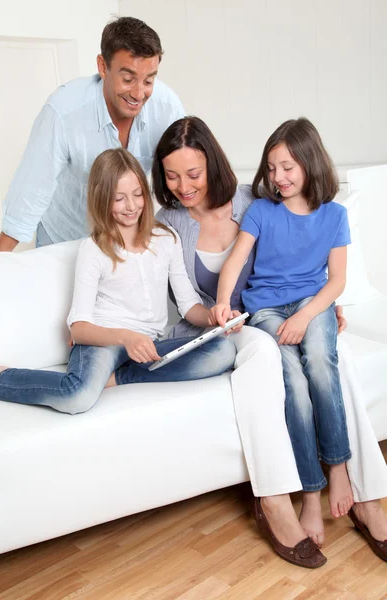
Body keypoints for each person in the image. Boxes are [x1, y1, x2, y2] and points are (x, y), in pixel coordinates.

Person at [153, 116, 387, 564]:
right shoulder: (169, 222)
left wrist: (316, 307)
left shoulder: (251, 199)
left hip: (281, 312)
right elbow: (186, 300)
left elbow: (299, 247)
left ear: (213, 165)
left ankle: (366, 493)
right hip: (226, 326)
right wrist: (219, 314)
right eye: (171, 175)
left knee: (336, 356)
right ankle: (281, 499)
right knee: (266, 353)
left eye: (194, 174)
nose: (184, 186)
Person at [0, 148, 238, 414]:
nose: (131, 206)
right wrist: (125, 338)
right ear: (103, 199)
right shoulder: (94, 249)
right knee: (78, 397)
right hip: (102, 342)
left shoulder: (167, 239)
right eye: (119, 198)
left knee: (223, 351)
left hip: (145, 346)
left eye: (138, 194)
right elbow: (79, 329)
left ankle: (119, 377)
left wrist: (214, 317)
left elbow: (188, 305)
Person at [211, 117, 354, 542]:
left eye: (287, 166)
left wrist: (306, 316)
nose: (278, 176)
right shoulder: (261, 211)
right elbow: (235, 262)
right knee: (291, 378)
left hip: (311, 306)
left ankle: (339, 469)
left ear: (310, 162)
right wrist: (222, 302)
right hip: (267, 309)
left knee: (322, 367)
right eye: (271, 168)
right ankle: (311, 493)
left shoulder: (335, 215)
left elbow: (337, 281)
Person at [0, 16, 184, 252]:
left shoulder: (167, 107)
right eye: (127, 79)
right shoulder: (63, 112)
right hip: (65, 239)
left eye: (148, 80)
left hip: (125, 242)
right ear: (103, 67)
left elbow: (182, 174)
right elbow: (30, 192)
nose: (138, 93)